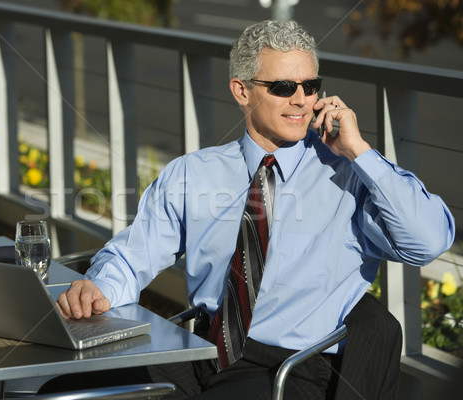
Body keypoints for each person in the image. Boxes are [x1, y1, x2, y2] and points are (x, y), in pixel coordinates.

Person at [49, 20, 455, 399]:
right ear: (242, 91)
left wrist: (358, 151)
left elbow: (428, 241)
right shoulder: (194, 174)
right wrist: (98, 288)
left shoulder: (349, 176)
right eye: (282, 87)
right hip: (201, 352)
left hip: (291, 370)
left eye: (310, 85)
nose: (301, 100)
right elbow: (133, 255)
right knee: (63, 389)